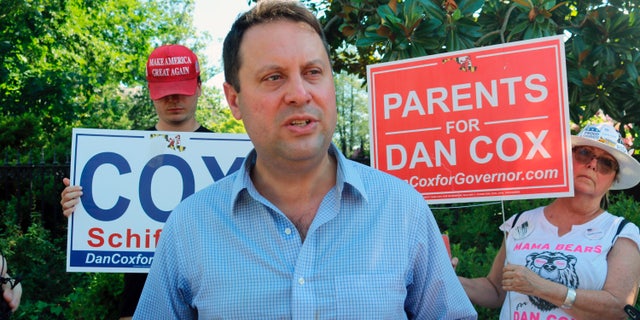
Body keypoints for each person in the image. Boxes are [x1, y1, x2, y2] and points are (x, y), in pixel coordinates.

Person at [134, 1, 477, 319]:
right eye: (274, 77)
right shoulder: (190, 228)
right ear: (234, 100)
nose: (299, 93)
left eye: (313, 72)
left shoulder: (402, 210)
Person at [59, 44, 211, 320]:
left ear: (199, 87)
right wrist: (78, 207)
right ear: (151, 93)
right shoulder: (126, 149)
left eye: (182, 89)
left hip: (211, 290)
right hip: (141, 291)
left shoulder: (230, 153)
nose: (174, 99)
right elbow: (101, 224)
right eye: (164, 92)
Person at [454, 123, 640, 319]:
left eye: (606, 164)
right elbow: (496, 290)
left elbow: (619, 308)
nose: (593, 165)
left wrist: (544, 288)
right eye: (584, 153)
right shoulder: (521, 222)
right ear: (566, 159)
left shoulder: (620, 232)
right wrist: (450, 280)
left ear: (614, 179)